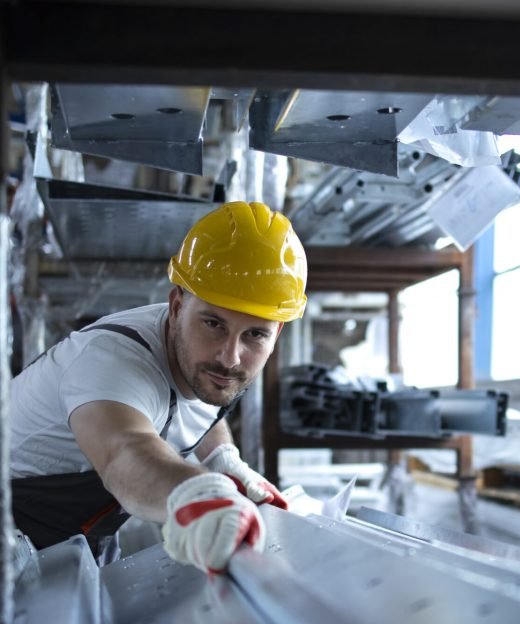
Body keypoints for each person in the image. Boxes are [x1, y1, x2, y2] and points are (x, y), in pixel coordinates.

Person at [10, 200, 308, 572]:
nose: (230, 356)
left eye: (255, 334)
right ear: (177, 305)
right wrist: (196, 492)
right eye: (213, 323)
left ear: (277, 332)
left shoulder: (203, 363)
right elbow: (125, 452)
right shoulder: (112, 363)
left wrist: (222, 459)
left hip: (69, 540)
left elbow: (205, 402)